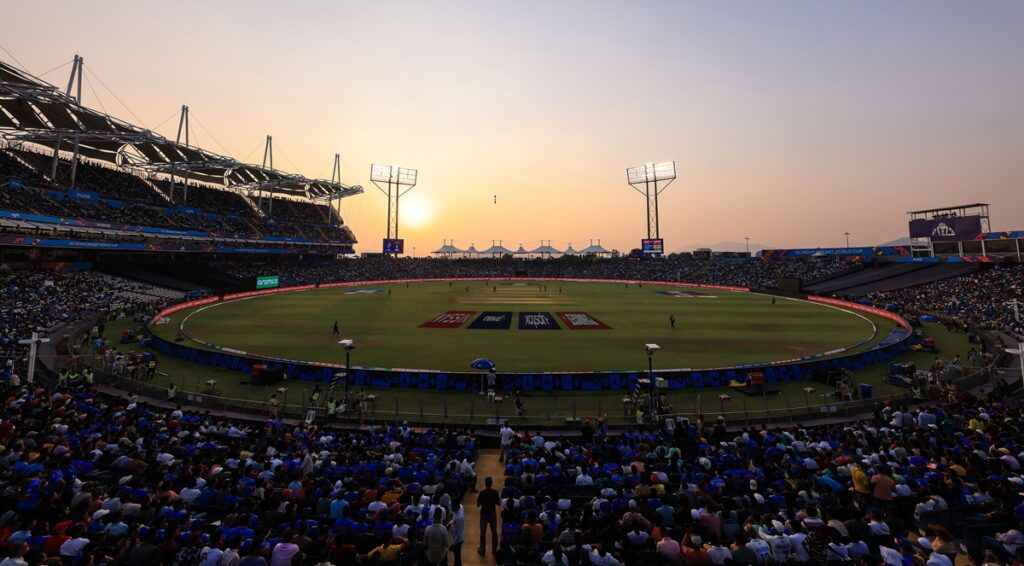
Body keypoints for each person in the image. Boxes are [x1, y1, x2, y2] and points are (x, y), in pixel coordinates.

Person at [477, 476, 499, 556]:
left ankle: (482, 550)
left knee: (483, 533)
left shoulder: (482, 493)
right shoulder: (495, 492)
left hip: (484, 514)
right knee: (494, 532)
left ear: (485, 484)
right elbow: (498, 503)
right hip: (492, 514)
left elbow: (478, 504)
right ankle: (494, 549)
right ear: (491, 483)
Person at [450, 501, 465, 566]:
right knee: (457, 557)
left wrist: (453, 544)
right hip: (456, 536)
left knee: (457, 557)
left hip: (457, 541)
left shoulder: (459, 518)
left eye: (453, 506)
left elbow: (458, 535)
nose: (451, 508)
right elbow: (454, 518)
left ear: (456, 506)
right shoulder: (461, 507)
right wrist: (450, 523)